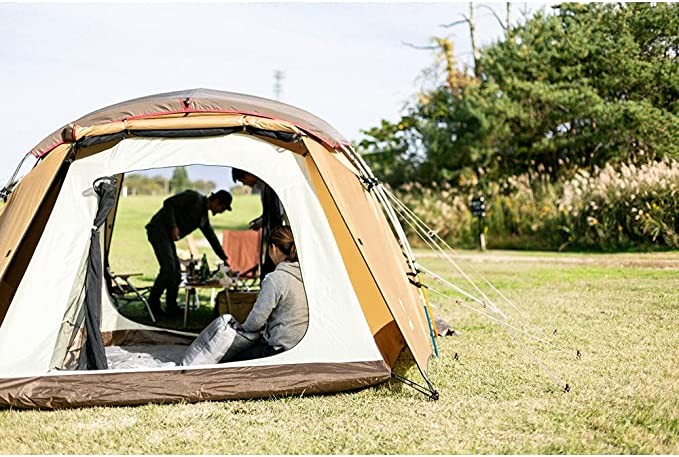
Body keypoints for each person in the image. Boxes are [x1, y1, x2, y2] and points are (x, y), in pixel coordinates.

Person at [181, 225, 308, 365]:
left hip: (280, 349)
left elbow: (255, 322)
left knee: (228, 362)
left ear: (273, 248)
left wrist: (241, 330)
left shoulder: (275, 279)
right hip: (303, 346)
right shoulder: (307, 277)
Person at [145, 189, 232, 316]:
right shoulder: (194, 198)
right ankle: (152, 304)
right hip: (158, 230)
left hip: (167, 237)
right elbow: (169, 203)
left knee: (176, 273)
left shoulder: (203, 217)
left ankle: (171, 307)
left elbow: (211, 237)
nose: (221, 212)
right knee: (168, 268)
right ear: (216, 201)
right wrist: (173, 226)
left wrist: (224, 258)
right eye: (222, 208)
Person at [231, 168, 285, 278]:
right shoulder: (263, 187)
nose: (245, 184)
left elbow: (277, 214)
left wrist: (262, 222)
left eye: (243, 181)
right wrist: (260, 220)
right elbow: (270, 212)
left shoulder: (269, 186)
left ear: (247, 174)